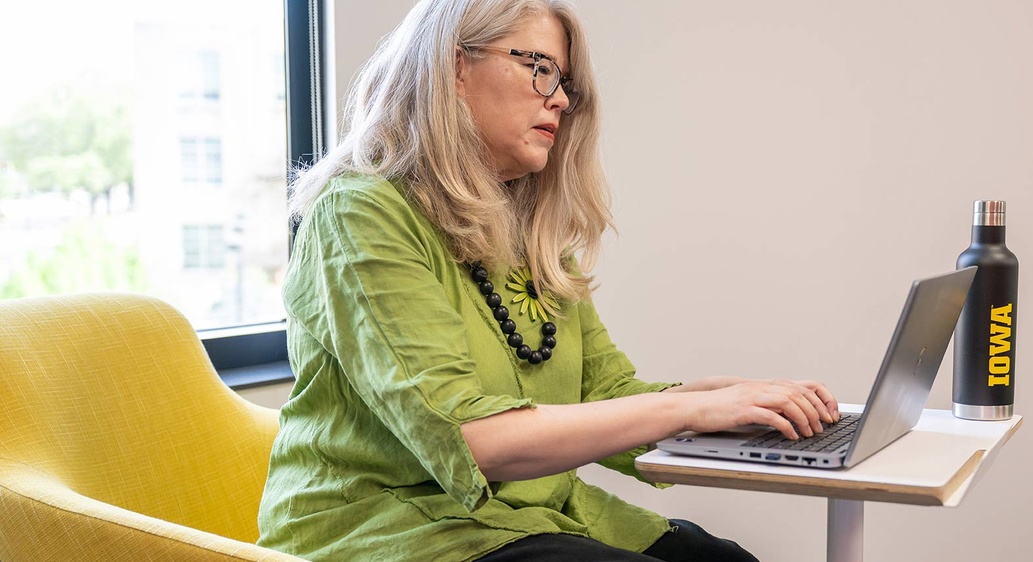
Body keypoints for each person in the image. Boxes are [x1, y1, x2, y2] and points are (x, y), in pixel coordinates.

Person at [257, 0, 840, 560]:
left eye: (563, 81)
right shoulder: (360, 215)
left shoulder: (525, 230)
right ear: (454, 66)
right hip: (390, 532)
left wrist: (725, 401)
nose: (560, 99)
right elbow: (472, 437)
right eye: (539, 69)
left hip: (533, 520)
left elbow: (605, 396)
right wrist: (687, 413)